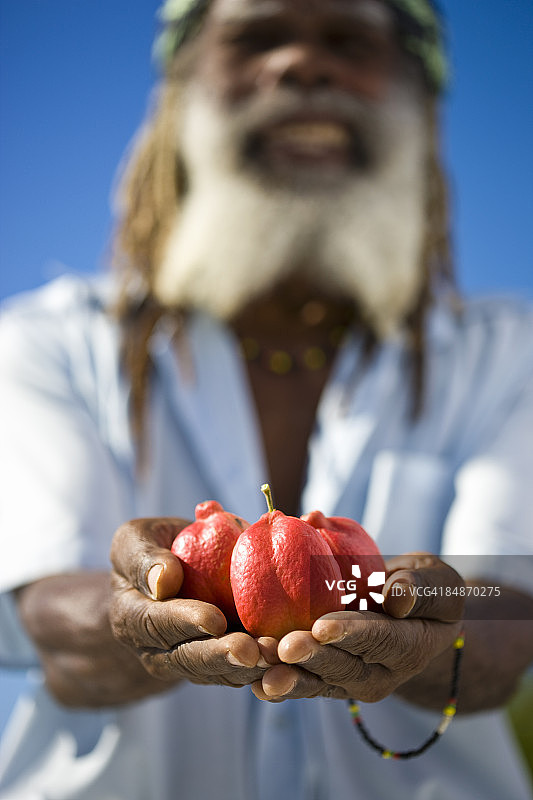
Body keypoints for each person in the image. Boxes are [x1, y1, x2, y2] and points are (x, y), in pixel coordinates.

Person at [0, 0, 532, 798]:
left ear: (420, 102)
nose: (300, 65)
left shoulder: (510, 355)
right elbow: (48, 617)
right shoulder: (48, 344)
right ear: (181, 91)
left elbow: (504, 618)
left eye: (348, 41)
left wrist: (403, 605)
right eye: (255, 38)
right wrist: (132, 611)